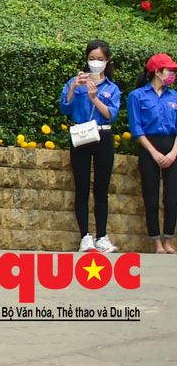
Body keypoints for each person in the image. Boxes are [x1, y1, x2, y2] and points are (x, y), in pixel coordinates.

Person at [61, 40, 122, 255]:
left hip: (102, 134)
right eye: (92, 59)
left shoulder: (112, 88)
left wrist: (94, 98)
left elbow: (110, 114)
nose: (95, 63)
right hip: (80, 134)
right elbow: (65, 108)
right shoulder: (75, 81)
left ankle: (102, 236)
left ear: (107, 61)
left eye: (100, 59)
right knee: (82, 187)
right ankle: (85, 236)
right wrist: (74, 88)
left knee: (101, 189)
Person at [125, 53, 177, 254]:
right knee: (151, 196)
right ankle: (156, 242)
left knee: (172, 198)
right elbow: (136, 128)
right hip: (149, 147)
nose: (172, 74)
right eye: (169, 70)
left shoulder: (174, 96)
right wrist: (154, 152)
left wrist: (173, 152)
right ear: (157, 72)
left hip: (171, 145)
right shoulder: (137, 96)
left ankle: (169, 241)